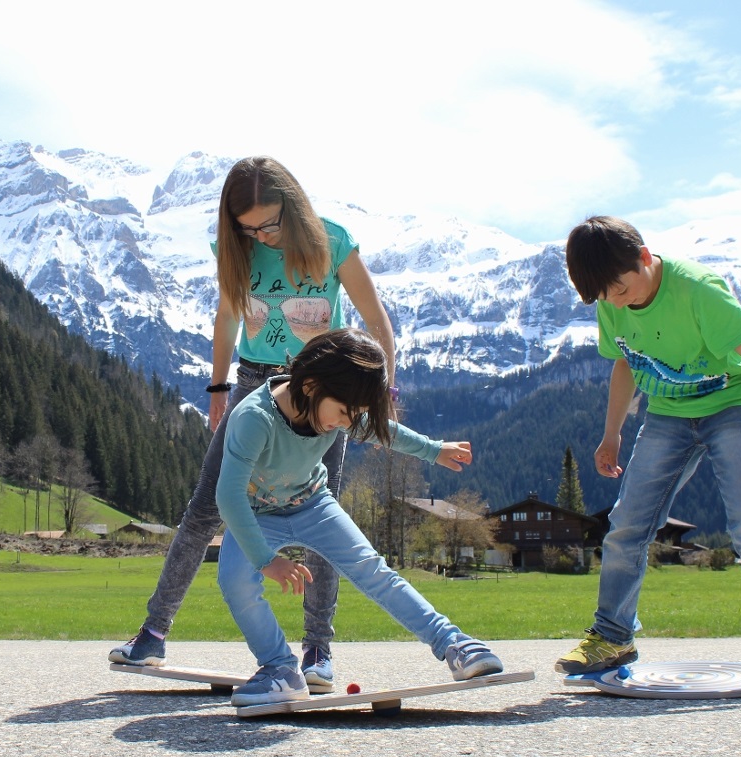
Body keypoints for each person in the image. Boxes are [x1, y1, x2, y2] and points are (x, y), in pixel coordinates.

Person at [110, 156, 396, 693]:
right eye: (248, 227)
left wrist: (381, 391)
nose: (261, 234)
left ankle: (317, 651)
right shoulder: (234, 248)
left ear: (293, 205)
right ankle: (152, 633)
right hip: (254, 384)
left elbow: (375, 318)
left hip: (321, 392)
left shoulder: (333, 243)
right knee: (205, 508)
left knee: (321, 518)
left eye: (269, 223)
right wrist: (219, 388)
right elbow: (226, 316)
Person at [554, 215, 741, 690]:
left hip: (732, 404)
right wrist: (611, 433)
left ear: (643, 257)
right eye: (604, 296)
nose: (616, 301)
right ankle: (612, 637)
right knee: (627, 525)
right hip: (668, 413)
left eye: (619, 288)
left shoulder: (698, 292)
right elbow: (624, 364)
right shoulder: (611, 301)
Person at [213, 328, 503, 705]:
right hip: (254, 514)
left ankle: (456, 645)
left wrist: (434, 450)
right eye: (344, 413)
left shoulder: (337, 403)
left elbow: (385, 432)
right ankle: (279, 669)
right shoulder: (255, 418)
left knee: (374, 572)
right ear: (312, 384)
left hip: (313, 504)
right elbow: (228, 495)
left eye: (355, 415)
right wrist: (266, 561)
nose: (346, 423)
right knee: (235, 581)